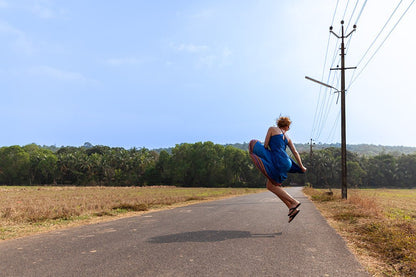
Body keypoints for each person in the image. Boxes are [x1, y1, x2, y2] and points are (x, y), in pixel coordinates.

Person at [249, 116, 307, 223]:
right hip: (287, 162)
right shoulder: (287, 137)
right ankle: (291, 208)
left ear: (279, 124)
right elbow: (295, 152)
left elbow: (266, 146)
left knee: (253, 144)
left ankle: (293, 202)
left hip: (278, 161)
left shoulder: (272, 129)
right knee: (271, 186)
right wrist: (301, 166)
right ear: (287, 127)